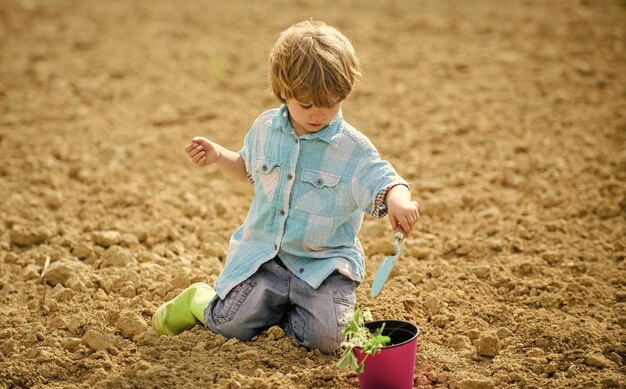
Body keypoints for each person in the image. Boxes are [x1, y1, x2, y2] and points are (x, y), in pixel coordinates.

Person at [152, 19, 419, 354]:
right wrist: (220, 155)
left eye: (330, 103)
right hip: (268, 261)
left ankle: (322, 314)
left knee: (331, 341)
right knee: (229, 325)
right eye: (306, 104)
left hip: (323, 267)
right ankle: (198, 299)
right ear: (283, 92)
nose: (318, 114)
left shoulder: (352, 149)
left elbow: (383, 179)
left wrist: (400, 200)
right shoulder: (265, 128)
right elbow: (249, 169)